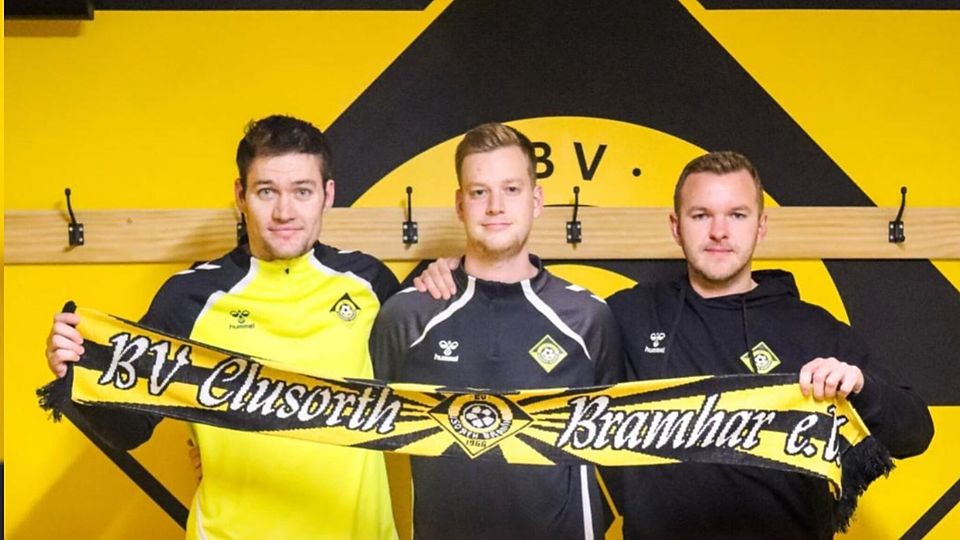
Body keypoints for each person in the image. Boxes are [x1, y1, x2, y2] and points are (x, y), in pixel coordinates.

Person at [412, 151, 934, 539]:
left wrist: (860, 387)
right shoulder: (626, 316)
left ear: (760, 226)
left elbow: (916, 433)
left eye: (737, 215)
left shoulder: (812, 329)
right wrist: (461, 268)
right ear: (676, 226)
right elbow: (530, 340)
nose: (719, 232)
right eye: (701, 215)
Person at [45, 115, 399, 540]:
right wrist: (78, 371)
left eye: (302, 191)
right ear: (240, 196)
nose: (284, 212)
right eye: (266, 191)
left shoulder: (370, 283)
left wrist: (449, 274)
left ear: (328, 195)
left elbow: (438, 381)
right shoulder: (190, 298)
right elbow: (129, 430)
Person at [369, 122, 623, 540]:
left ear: (536, 200)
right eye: (479, 192)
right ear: (460, 204)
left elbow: (619, 450)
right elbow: (363, 434)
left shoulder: (587, 318)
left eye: (511, 189)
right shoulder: (408, 316)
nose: (495, 207)